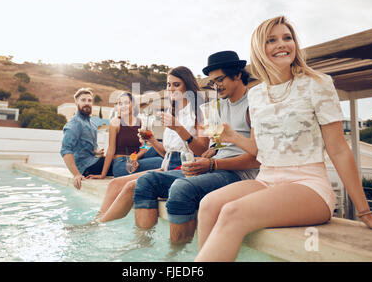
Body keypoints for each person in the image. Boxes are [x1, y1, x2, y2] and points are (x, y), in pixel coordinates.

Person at [194, 16, 372, 262]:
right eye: (271, 40)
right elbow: (258, 150)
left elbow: (338, 149)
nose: (282, 44)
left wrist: (365, 212)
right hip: (267, 179)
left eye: (287, 38)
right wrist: (231, 136)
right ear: (259, 50)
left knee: (233, 212)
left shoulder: (317, 83)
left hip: (309, 185)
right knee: (209, 204)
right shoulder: (256, 95)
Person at [133, 51, 260, 244]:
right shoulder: (218, 106)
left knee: (181, 188)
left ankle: (176, 255)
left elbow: (257, 157)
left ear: (238, 74)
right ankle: (142, 246)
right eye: (212, 82)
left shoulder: (253, 105)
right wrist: (211, 153)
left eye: (220, 80)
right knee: (147, 181)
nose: (216, 86)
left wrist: (212, 164)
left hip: (239, 173)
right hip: (216, 167)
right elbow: (213, 146)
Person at [96, 66, 209, 223]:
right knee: (115, 183)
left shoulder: (198, 111)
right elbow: (166, 152)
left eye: (176, 84)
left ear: (188, 85)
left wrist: (178, 128)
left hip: (185, 167)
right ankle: (97, 220)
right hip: (167, 164)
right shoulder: (171, 111)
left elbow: (203, 150)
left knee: (130, 186)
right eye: (168, 85)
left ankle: (98, 226)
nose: (171, 89)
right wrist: (151, 140)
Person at [88, 92, 163, 179]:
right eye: (120, 104)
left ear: (134, 105)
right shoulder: (115, 123)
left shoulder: (140, 122)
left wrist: (134, 158)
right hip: (121, 164)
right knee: (159, 162)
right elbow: (111, 149)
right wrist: (102, 174)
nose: (123, 106)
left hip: (135, 159)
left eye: (126, 103)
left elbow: (144, 148)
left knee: (158, 148)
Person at [60, 88, 108, 190]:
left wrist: (97, 153)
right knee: (119, 161)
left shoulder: (93, 124)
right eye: (83, 100)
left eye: (89, 100)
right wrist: (76, 174)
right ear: (76, 102)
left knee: (117, 159)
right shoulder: (75, 123)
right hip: (86, 168)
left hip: (95, 162)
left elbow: (91, 149)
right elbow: (65, 150)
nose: (87, 103)